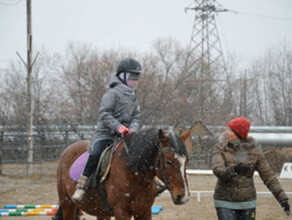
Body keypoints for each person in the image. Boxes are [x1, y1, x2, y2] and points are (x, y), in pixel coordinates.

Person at [72, 58, 142, 203]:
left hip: (125, 135)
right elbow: (104, 114)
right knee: (96, 154)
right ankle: (82, 185)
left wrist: (133, 129)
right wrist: (118, 127)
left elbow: (136, 116)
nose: (135, 81)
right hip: (105, 134)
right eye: (132, 77)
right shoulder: (112, 94)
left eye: (137, 77)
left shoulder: (133, 95)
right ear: (122, 76)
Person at [212, 117, 290, 220]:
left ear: (238, 134)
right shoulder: (220, 148)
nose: (226, 133)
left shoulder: (255, 151)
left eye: (230, 131)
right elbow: (217, 170)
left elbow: (269, 177)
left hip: (247, 203)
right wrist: (233, 170)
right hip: (224, 202)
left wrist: (282, 199)